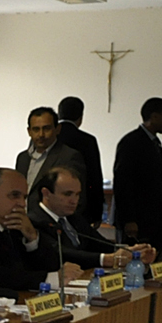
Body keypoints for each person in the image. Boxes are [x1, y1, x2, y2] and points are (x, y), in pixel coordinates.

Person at [0, 168, 81, 292]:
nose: (22, 204)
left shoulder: (14, 225)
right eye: (14, 195)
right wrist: (51, 279)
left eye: (24, 197)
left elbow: (50, 265)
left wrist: (32, 236)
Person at [32, 167, 150, 271]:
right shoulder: (34, 221)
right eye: (68, 194)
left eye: (77, 194)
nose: (74, 201)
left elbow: (100, 243)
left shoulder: (74, 218)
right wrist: (107, 259)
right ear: (46, 193)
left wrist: (133, 252)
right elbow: (61, 253)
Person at [112, 97, 162, 257]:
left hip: (154, 218)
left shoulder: (154, 142)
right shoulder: (131, 142)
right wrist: (129, 219)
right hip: (138, 221)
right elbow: (122, 183)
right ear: (154, 117)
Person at [15, 106, 85, 206]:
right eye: (36, 129)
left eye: (46, 128)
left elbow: (77, 198)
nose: (41, 134)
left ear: (57, 129)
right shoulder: (22, 158)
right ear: (29, 131)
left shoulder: (69, 157)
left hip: (50, 219)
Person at [56, 96, 105, 227]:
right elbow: (94, 177)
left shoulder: (49, 138)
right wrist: (96, 213)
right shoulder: (87, 140)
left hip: (49, 204)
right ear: (80, 117)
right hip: (79, 206)